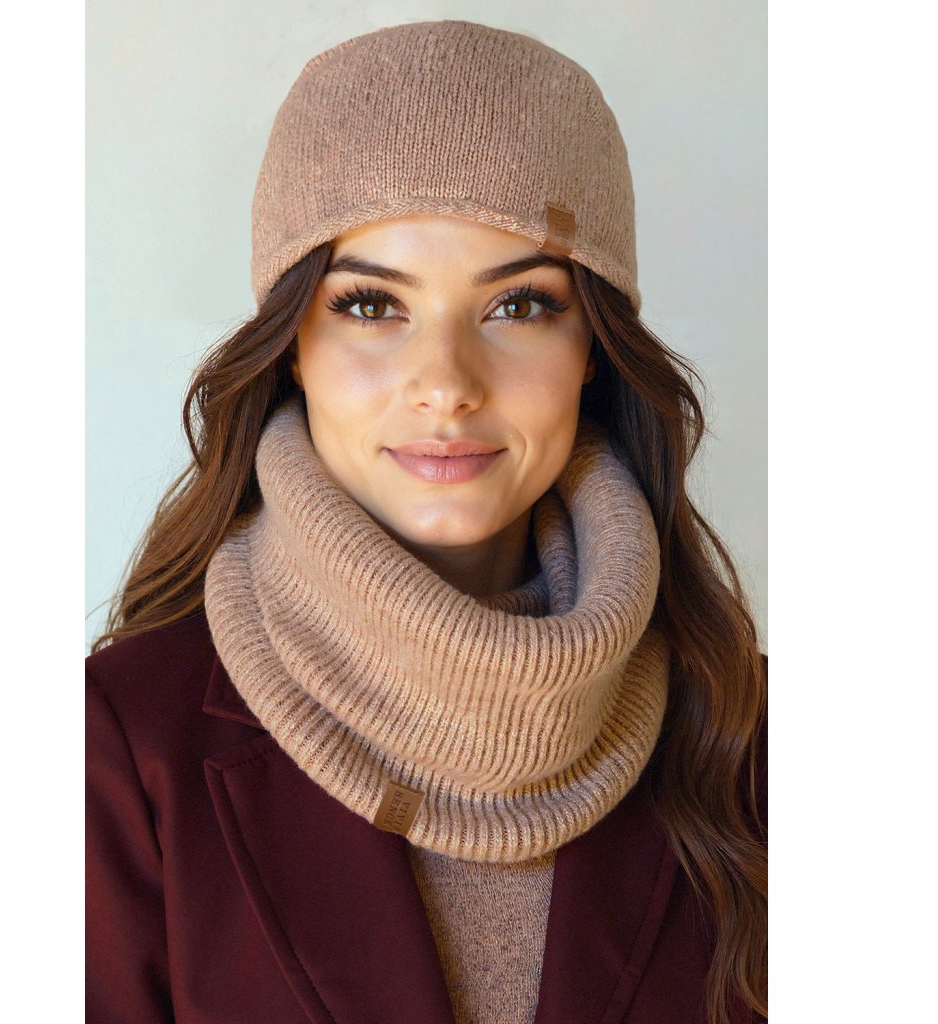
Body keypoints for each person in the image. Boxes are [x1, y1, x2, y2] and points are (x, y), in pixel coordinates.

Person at [86, 20, 766, 1024]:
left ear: (593, 346)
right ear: (291, 345)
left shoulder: (753, 738)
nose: (445, 385)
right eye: (371, 305)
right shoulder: (117, 745)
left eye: (519, 306)